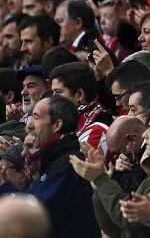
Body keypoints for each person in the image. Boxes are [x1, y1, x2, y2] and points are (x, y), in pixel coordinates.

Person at [73, 104, 150, 237]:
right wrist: (97, 186)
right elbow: (117, 229)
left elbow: (133, 222)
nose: (144, 134)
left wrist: (101, 180)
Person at [25, 96, 97, 238]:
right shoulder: (50, 159)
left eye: (37, 117)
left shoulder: (70, 164)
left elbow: (34, 214)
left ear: (56, 125)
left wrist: (4, 187)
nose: (29, 125)